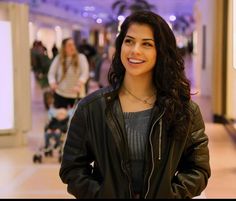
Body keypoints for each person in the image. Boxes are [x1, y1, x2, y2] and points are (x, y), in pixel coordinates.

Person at [59, 11, 211, 199]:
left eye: (146, 44)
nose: (134, 50)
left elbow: (198, 168)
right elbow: (72, 168)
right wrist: (102, 195)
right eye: (129, 41)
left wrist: (171, 195)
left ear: (161, 51)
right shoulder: (91, 108)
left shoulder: (184, 110)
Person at [48, 37, 90, 109]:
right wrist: (52, 83)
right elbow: (51, 73)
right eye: (69, 45)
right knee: (61, 118)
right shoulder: (59, 58)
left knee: (77, 118)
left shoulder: (81, 58)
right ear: (64, 48)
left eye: (73, 44)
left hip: (77, 94)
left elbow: (85, 73)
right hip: (61, 93)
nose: (72, 47)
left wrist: (79, 84)